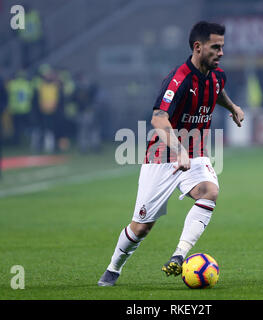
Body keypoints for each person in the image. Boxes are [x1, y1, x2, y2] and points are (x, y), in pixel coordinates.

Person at [98, 21, 244, 286]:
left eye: (222, 47)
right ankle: (113, 268)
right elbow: (158, 118)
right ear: (198, 47)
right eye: (216, 47)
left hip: (196, 151)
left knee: (210, 190)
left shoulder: (217, 75)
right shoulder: (178, 80)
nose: (221, 52)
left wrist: (232, 107)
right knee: (141, 227)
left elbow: (216, 91)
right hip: (162, 155)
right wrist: (178, 150)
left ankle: (179, 255)